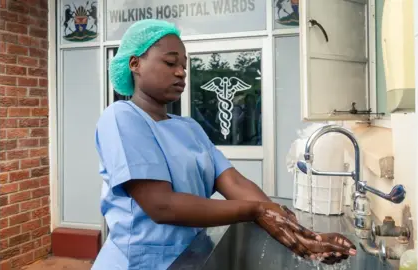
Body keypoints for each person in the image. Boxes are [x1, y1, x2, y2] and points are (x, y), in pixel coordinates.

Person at [92, 19, 356, 270]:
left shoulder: (189, 128)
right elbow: (161, 205)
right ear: (135, 64)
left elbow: (235, 184)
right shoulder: (121, 118)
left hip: (190, 259)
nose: (181, 72)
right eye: (170, 62)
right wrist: (257, 210)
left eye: (185, 65)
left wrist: (303, 235)